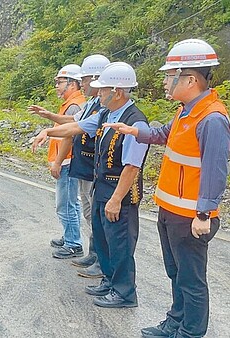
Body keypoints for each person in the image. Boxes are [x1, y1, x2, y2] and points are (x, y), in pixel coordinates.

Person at [105, 39, 229, 338]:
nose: (164, 81)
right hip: (171, 209)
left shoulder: (212, 118)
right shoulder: (185, 111)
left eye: (169, 75)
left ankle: (191, 331)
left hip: (190, 216)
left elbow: (215, 170)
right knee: (176, 272)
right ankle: (175, 321)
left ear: (189, 79)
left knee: (191, 277)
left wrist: (203, 213)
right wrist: (134, 130)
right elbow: (163, 135)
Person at [33, 62, 149, 308]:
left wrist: (116, 199)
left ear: (117, 91)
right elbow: (77, 126)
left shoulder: (135, 123)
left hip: (120, 191)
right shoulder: (106, 114)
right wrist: (48, 131)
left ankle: (125, 292)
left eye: (103, 89)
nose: (99, 93)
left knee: (120, 242)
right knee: (104, 237)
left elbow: (131, 167)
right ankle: (110, 281)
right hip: (102, 186)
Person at [29, 64, 85, 259]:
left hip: (68, 162)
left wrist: (58, 162)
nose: (57, 86)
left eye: (60, 82)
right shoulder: (72, 103)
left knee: (65, 204)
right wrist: (49, 115)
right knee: (72, 202)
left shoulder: (75, 104)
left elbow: (69, 136)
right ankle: (71, 235)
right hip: (68, 161)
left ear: (72, 83)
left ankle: (73, 243)